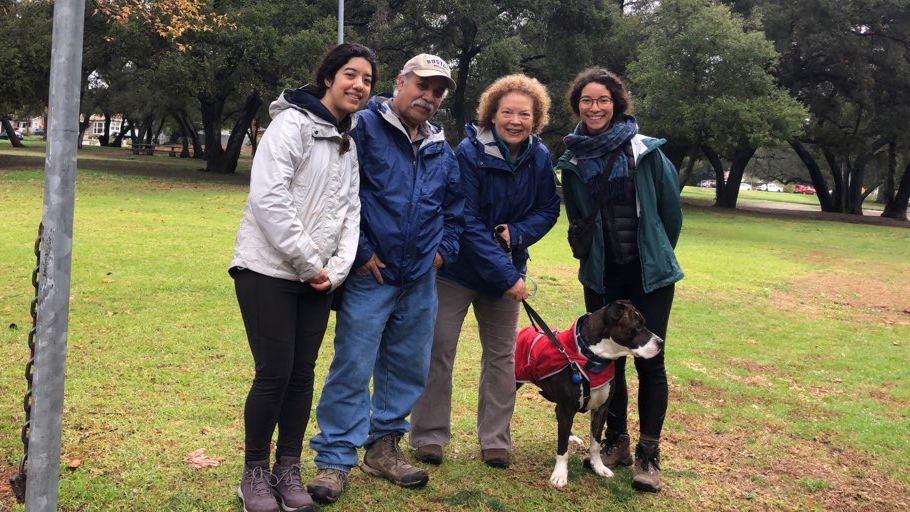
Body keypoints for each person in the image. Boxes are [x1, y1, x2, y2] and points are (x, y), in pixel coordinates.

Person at [306, 53, 464, 505]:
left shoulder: (439, 146)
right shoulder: (364, 128)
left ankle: (383, 448)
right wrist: (358, 252)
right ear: (400, 82)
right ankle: (335, 458)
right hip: (369, 275)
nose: (429, 96)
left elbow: (454, 208)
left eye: (437, 91)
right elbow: (340, 192)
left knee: (407, 367)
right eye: (422, 85)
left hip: (420, 279)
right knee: (353, 365)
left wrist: (443, 253)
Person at [229, 43, 376, 512]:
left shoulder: (346, 140)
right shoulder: (290, 125)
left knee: (302, 375)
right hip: (267, 270)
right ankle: (254, 474)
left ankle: (287, 468)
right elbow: (269, 200)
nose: (359, 85)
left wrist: (334, 270)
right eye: (350, 74)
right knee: (274, 374)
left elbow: (352, 212)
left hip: (318, 280)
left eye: (368, 80)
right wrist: (310, 262)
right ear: (329, 78)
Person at [409, 74, 560, 469]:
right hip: (458, 270)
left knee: (501, 357)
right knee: (438, 350)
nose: (515, 120)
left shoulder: (540, 156)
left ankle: (495, 440)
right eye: (506, 111)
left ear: (536, 118)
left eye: (524, 114)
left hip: (507, 271)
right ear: (491, 114)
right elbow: (467, 220)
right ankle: (428, 436)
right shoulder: (467, 153)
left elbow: (548, 209)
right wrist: (508, 277)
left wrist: (519, 233)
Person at [555, 67, 683, 493]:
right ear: (577, 106)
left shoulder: (644, 150)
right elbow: (576, 215)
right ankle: (617, 442)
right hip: (602, 273)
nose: (595, 107)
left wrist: (657, 255)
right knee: (609, 360)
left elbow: (669, 213)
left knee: (651, 359)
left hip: (649, 273)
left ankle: (649, 455)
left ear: (617, 104)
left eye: (603, 100)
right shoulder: (572, 157)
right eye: (587, 101)